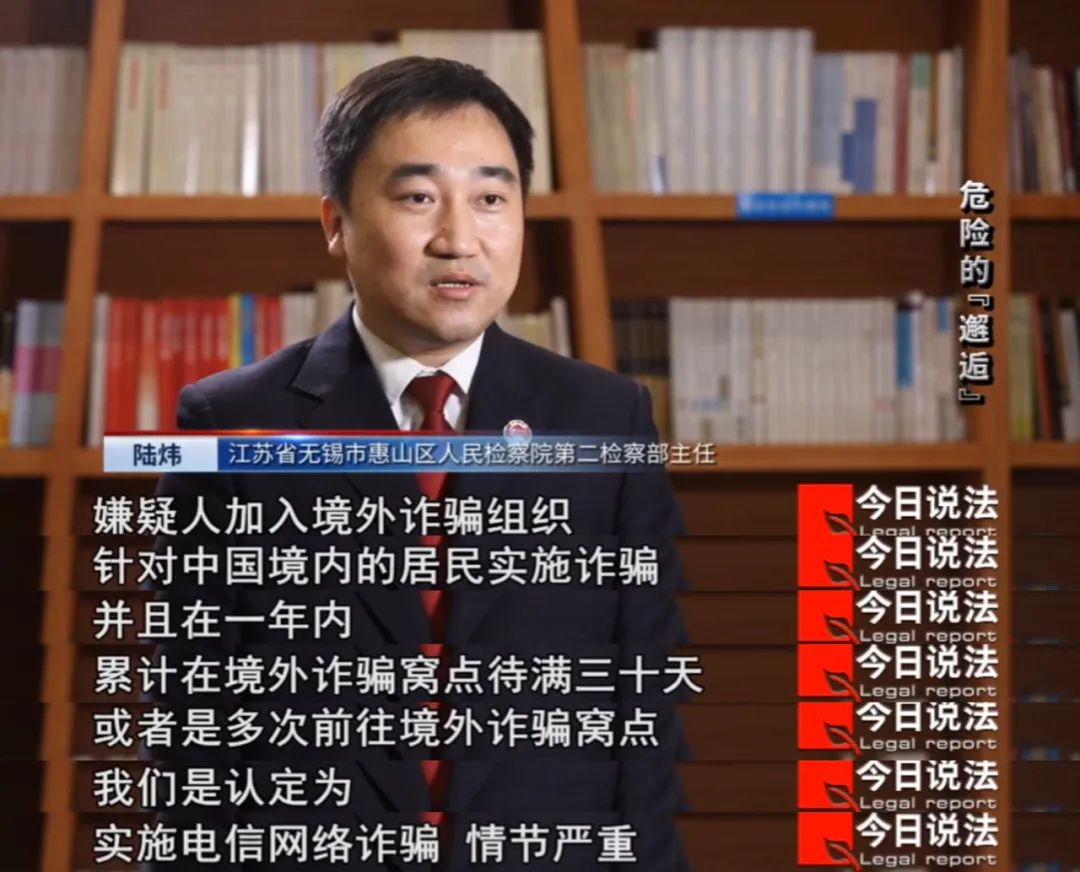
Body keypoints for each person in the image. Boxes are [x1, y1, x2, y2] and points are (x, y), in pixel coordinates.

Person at [152, 56, 692, 871]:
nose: (458, 240)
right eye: (417, 198)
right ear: (336, 221)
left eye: (491, 199)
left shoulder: (605, 418)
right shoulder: (233, 422)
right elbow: (193, 716)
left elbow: (641, 701)